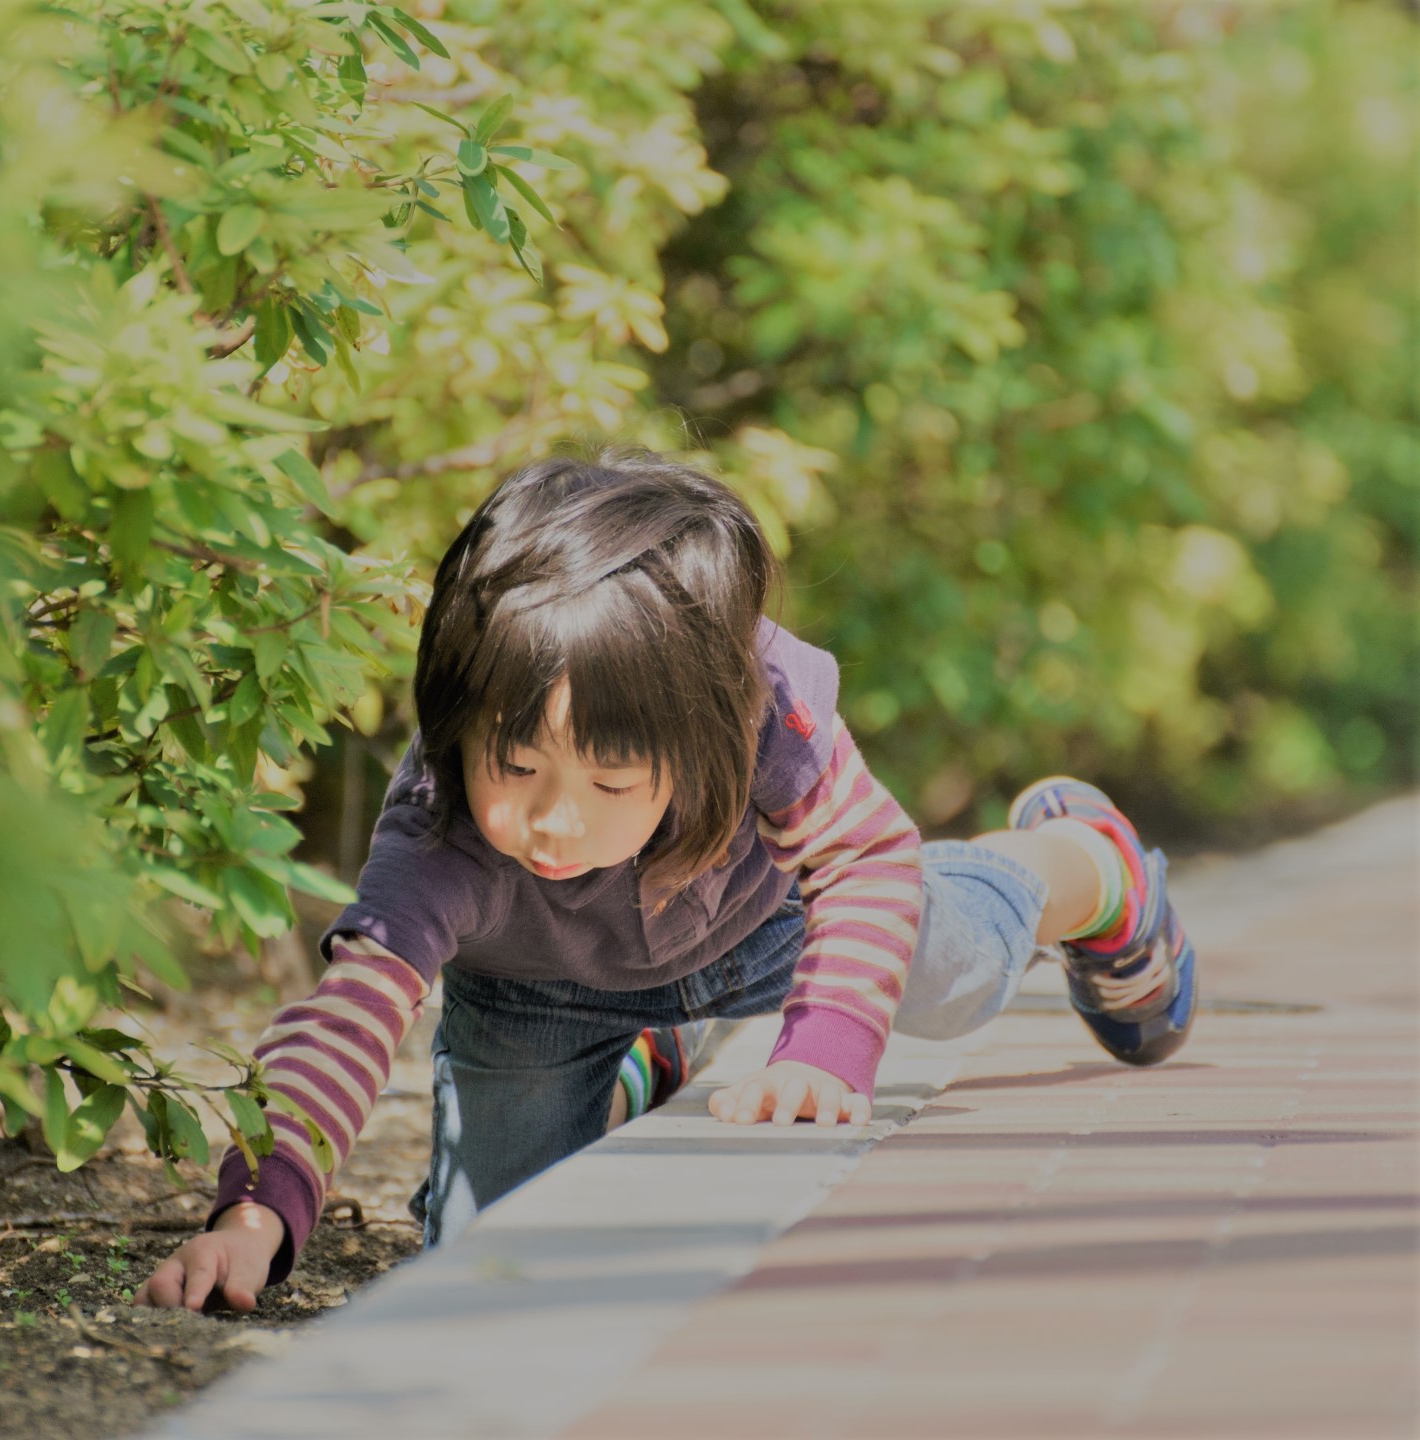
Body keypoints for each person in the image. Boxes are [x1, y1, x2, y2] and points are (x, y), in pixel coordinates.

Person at [141, 447, 1197, 1313]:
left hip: (773, 917)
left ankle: (1082, 862)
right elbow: (353, 1014)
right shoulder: (445, 833)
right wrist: (255, 1215)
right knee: (491, 1256)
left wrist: (826, 1050)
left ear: (698, 743)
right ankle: (650, 1053)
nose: (553, 817)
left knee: (946, 976)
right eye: (515, 766)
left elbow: (863, 861)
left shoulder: (757, 711)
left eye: (611, 780)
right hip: (535, 999)